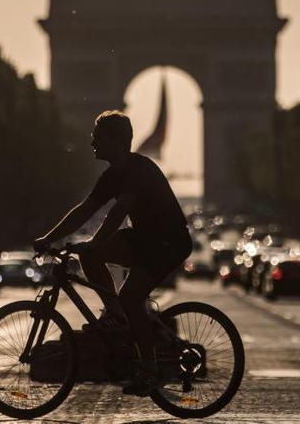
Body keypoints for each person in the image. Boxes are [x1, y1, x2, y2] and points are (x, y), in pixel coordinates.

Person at [34, 110, 192, 396]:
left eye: (97, 138)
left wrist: (95, 241)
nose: (92, 143)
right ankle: (115, 315)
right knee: (90, 257)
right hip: (143, 238)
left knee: (131, 296)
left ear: (114, 141)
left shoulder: (138, 169)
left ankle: (150, 369)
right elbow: (83, 211)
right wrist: (48, 238)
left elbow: (117, 212)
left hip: (168, 241)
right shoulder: (111, 175)